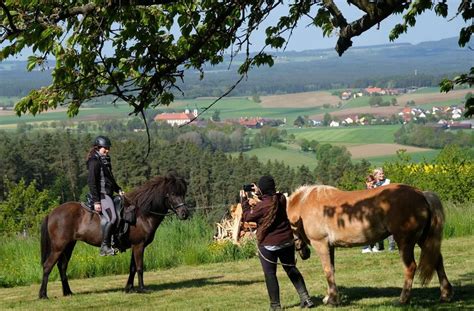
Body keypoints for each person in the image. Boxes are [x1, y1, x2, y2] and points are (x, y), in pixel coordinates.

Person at [241, 175, 314, 310]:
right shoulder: (281, 199)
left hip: (268, 245)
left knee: (270, 274)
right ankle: (306, 298)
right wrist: (261, 193)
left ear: (261, 190)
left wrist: (244, 201)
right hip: (287, 241)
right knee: (291, 269)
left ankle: (275, 306)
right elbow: (272, 200)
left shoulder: (262, 206)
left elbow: (247, 216)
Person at [86, 135, 124, 256]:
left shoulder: (106, 159)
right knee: (112, 218)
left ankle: (117, 240)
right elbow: (92, 182)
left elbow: (110, 178)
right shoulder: (94, 161)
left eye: (108, 148)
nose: (107, 150)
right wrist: (97, 201)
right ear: (98, 148)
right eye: (105, 148)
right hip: (102, 195)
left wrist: (118, 189)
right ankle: (105, 246)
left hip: (109, 193)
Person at [372, 167, 396, 252]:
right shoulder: (372, 184)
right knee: (378, 227)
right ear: (375, 175)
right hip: (377, 208)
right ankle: (380, 246)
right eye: (380, 174)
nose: (382, 175)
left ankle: (392, 245)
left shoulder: (387, 182)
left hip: (387, 206)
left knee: (390, 226)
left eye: (382, 173)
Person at [361, 174, 377, 254]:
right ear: (366, 183)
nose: (371, 184)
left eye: (372, 182)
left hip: (374, 212)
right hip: (365, 213)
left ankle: (373, 246)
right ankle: (365, 247)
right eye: (369, 182)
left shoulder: (376, 190)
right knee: (366, 230)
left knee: (373, 230)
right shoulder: (364, 192)